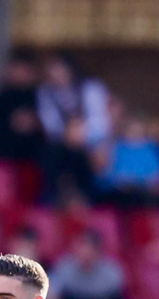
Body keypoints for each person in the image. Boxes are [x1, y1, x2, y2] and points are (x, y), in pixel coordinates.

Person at [35, 54, 110, 203]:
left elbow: (100, 121)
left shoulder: (91, 87)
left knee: (95, 157)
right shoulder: (45, 92)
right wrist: (68, 133)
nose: (55, 74)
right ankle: (54, 197)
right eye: (51, 70)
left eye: (58, 69)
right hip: (61, 141)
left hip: (92, 140)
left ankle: (89, 198)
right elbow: (50, 123)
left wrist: (82, 132)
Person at [95, 113, 159, 208]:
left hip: (146, 189)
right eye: (131, 128)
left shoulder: (153, 149)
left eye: (137, 128)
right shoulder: (115, 148)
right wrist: (119, 182)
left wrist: (150, 183)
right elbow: (108, 173)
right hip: (123, 190)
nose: (134, 131)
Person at [0, 51, 43, 161]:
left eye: (25, 70)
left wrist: (34, 123)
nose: (20, 74)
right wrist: (12, 123)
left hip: (34, 153)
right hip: (3, 152)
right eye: (17, 69)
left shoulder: (40, 97)